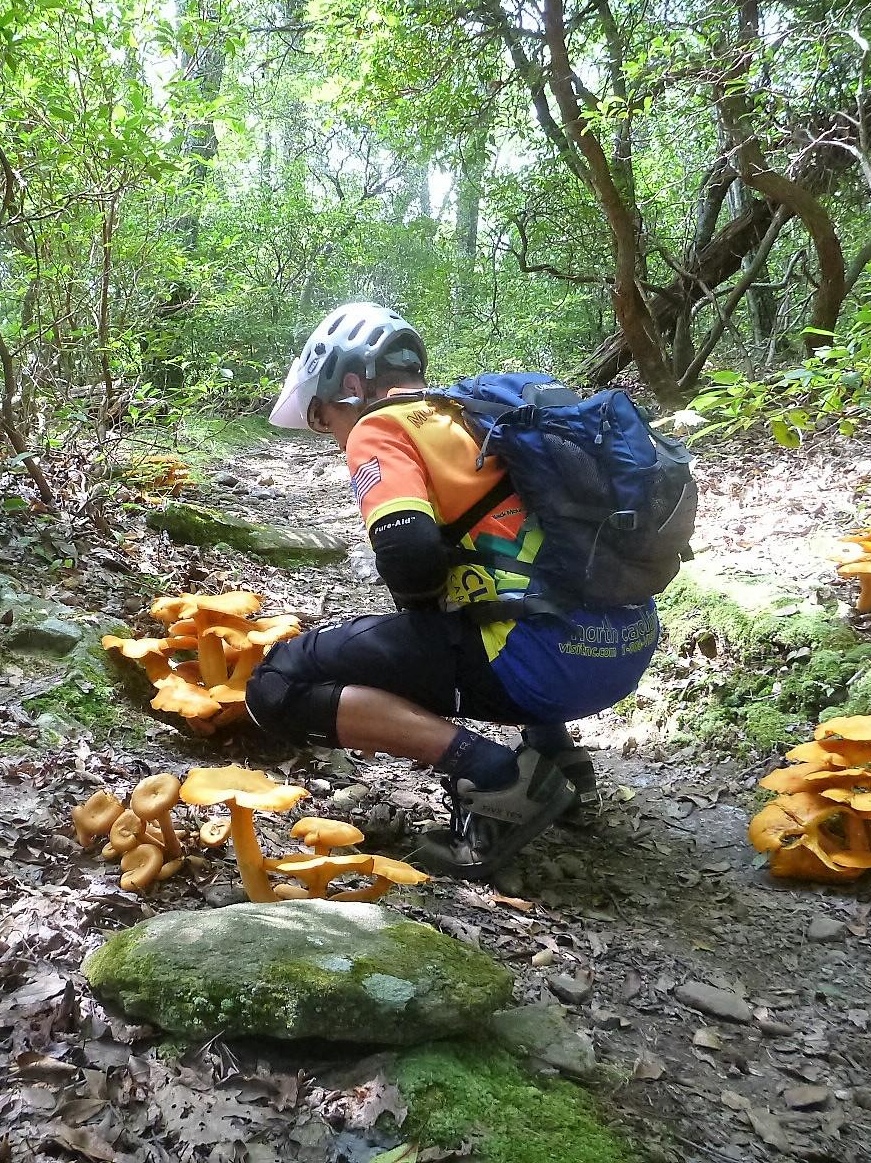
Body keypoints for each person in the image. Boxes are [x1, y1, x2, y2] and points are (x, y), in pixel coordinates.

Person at [245, 301, 661, 878]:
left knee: (277, 681)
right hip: (622, 651)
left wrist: (416, 631)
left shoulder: (381, 427)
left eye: (320, 417)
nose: (328, 433)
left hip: (543, 663)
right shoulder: (474, 415)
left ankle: (496, 776)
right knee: (498, 601)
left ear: (351, 386)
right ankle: (559, 760)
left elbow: (409, 555)